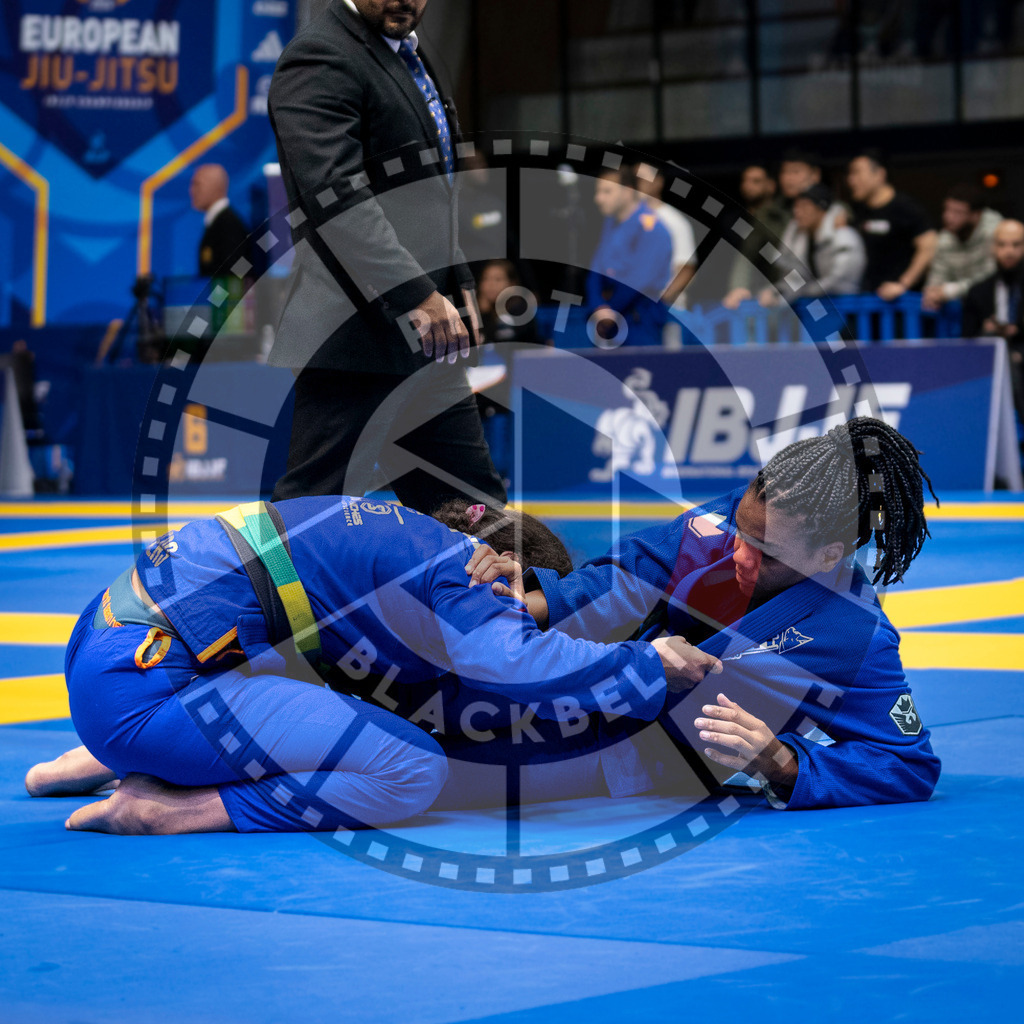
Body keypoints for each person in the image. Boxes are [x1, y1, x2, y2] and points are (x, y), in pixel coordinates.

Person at [25, 498, 717, 834]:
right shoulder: (464, 572)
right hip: (142, 692)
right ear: (506, 570)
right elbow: (517, 660)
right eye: (519, 600)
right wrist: (647, 663)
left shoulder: (386, 526)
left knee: (300, 678)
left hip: (102, 647)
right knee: (412, 767)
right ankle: (174, 809)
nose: (513, 610)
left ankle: (94, 757)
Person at [464, 418, 941, 811]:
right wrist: (528, 605)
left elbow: (907, 764)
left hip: (627, 759)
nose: (739, 554)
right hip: (585, 676)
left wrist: (780, 762)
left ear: (827, 556)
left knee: (437, 768)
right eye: (742, 532)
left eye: (767, 554)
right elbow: (631, 576)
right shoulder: (738, 516)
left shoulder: (855, 633)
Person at [267, 0, 505, 512]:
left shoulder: (409, 55)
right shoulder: (320, 56)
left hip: (425, 335)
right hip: (354, 334)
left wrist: (458, 279)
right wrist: (416, 292)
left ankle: (495, 595)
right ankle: (264, 595)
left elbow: (428, 193)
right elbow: (337, 197)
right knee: (313, 514)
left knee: (473, 508)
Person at [587, 167, 674, 348]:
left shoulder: (652, 228)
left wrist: (609, 311)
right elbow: (595, 270)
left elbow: (639, 281)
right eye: (598, 191)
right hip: (609, 319)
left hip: (640, 319)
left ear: (627, 191)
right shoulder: (610, 224)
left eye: (607, 191)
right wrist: (598, 307)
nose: (598, 198)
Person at [848, 150, 937, 300]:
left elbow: (929, 245)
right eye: (850, 174)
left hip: (901, 305)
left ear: (880, 174)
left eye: (857, 173)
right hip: (868, 301)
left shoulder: (904, 207)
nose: (851, 180)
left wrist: (903, 284)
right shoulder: (858, 211)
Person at [962, 220, 1024, 433]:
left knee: (1009, 358)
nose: (1009, 251)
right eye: (1003, 244)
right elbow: (967, 339)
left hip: (1019, 356)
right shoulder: (979, 291)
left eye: (1016, 245)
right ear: (993, 248)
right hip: (987, 360)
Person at [759, 184, 865, 304]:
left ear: (820, 208)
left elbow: (839, 282)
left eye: (804, 206)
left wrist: (804, 291)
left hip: (849, 311)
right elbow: (796, 278)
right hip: (819, 308)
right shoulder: (800, 238)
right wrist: (776, 292)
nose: (797, 212)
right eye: (796, 206)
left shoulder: (844, 236)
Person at [922, 185, 1001, 311]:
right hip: (964, 309)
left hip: (996, 306)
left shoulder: (996, 232)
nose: (948, 217)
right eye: (947, 209)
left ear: (976, 215)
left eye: (957, 212)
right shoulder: (945, 238)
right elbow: (938, 273)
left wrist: (952, 290)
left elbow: (992, 276)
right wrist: (932, 291)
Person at [723, 164, 789, 309]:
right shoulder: (731, 220)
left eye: (756, 181)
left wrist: (776, 289)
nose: (748, 186)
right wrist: (738, 286)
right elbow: (744, 257)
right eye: (745, 181)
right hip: (745, 297)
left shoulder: (784, 217)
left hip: (781, 291)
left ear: (771, 185)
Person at [634, 163, 698, 310]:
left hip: (668, 311)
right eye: (634, 181)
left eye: (642, 180)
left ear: (658, 182)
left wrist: (661, 300)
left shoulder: (675, 222)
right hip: (634, 311)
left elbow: (686, 269)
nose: (637, 185)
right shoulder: (627, 223)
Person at [189, 164, 251, 278]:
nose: (191, 191)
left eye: (197, 184)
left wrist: (219, 295)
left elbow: (235, 276)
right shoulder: (219, 223)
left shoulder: (229, 226)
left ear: (215, 187)